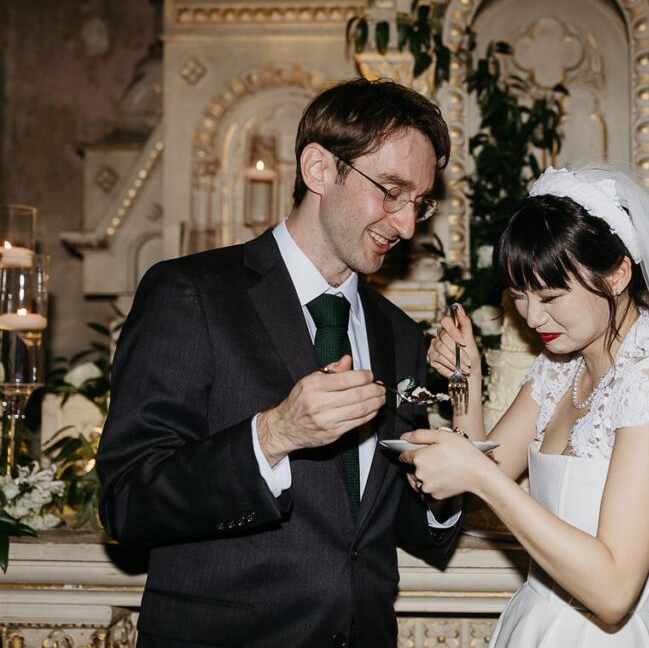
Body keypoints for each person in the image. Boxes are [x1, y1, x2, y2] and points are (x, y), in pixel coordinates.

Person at [97, 78, 461, 647]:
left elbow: (404, 526)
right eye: (390, 190)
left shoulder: (399, 335)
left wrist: (451, 473)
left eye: (419, 202)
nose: (406, 224)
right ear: (318, 169)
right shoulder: (191, 294)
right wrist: (270, 436)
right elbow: (127, 503)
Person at [403, 162, 649, 646]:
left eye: (551, 295)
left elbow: (615, 590)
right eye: (519, 296)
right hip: (535, 624)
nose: (533, 317)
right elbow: (485, 466)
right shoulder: (561, 367)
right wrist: (464, 380)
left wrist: (480, 476)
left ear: (617, 274)